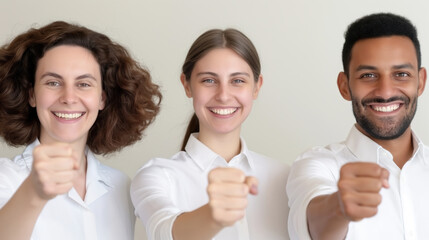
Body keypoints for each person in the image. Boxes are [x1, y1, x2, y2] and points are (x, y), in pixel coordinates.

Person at [0, 21, 161, 240]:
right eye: (53, 83)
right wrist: (33, 193)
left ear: (102, 98)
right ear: (32, 95)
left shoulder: (121, 185)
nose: (68, 98)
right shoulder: (6, 178)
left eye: (84, 84)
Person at [131, 28, 289, 240]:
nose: (223, 96)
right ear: (187, 85)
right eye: (209, 80)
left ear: (256, 87)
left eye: (238, 81)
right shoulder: (158, 176)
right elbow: (163, 230)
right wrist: (213, 217)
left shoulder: (284, 177)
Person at [287, 13, 428, 240]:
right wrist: (339, 206)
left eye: (401, 74)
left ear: (420, 81)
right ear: (344, 86)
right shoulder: (318, 165)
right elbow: (314, 226)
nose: (385, 91)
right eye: (368, 75)